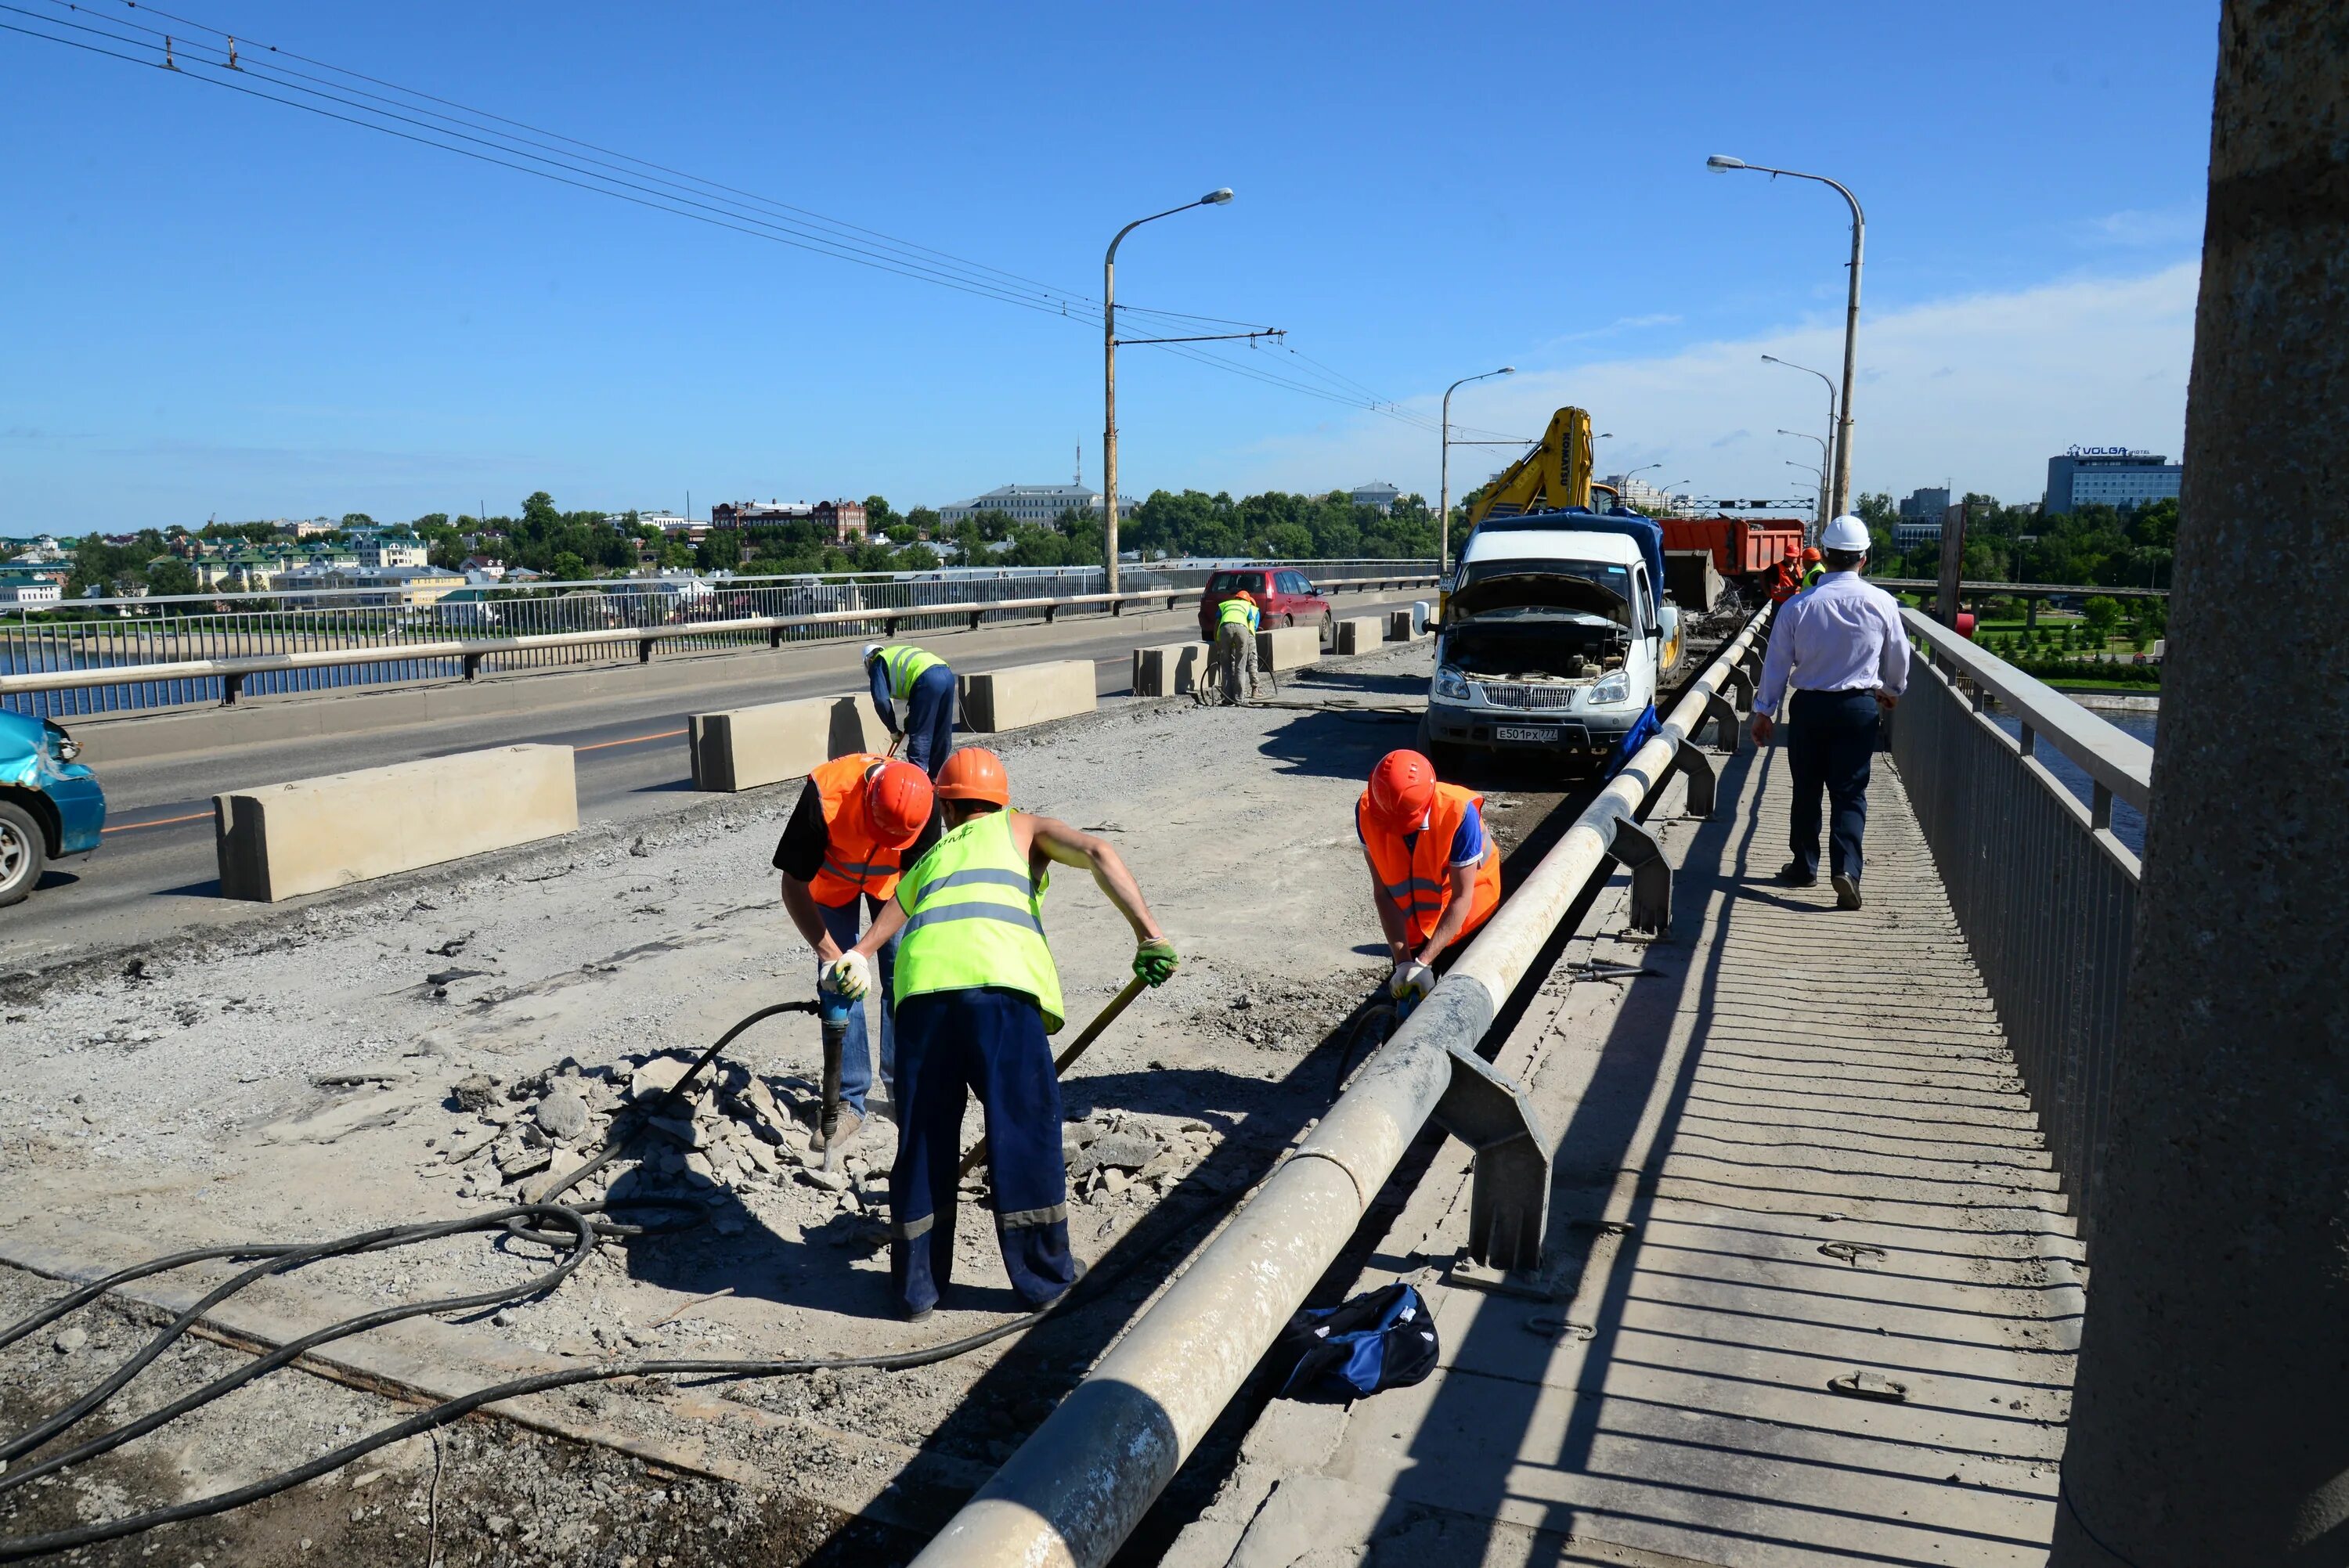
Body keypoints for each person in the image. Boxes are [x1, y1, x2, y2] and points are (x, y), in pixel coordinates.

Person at [825, 747, 1179, 1321]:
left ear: (946, 808)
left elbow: (895, 906)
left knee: (922, 1141)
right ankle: (1042, 1281)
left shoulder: (933, 853)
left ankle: (915, 1291)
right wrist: (1149, 933)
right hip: (999, 995)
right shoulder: (1025, 828)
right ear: (1000, 800)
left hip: (920, 1002)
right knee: (1022, 1130)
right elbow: (1097, 850)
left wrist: (859, 955)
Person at [773, 754, 939, 1147]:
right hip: (832, 886)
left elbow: (913, 889)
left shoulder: (924, 805)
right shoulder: (825, 794)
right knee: (839, 985)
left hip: (893, 892)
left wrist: (862, 952)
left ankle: (906, 1090)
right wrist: (832, 954)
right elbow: (793, 886)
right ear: (867, 800)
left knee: (905, 978)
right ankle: (849, 1101)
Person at [1751, 514, 1911, 910]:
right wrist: (1891, 691)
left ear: (1824, 555)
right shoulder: (1882, 603)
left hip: (1809, 707)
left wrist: (1763, 711)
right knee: (1850, 791)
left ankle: (1805, 866)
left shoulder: (1798, 606)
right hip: (1858, 708)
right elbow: (1900, 657)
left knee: (1807, 788)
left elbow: (1776, 662)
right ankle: (1848, 870)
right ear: (1864, 557)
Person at [1357, 748, 1502, 1004]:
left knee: (1458, 999)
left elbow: (1462, 897)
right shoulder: (1368, 811)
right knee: (1407, 997)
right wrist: (1403, 963)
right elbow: (1383, 893)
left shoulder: (1458, 813)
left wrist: (1424, 962)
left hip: (1468, 907)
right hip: (1417, 916)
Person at [862, 643, 958, 777]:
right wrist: (913, 715)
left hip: (926, 679)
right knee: (942, 730)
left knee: (921, 734)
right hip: (947, 674)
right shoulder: (894, 654)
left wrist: (893, 730)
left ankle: (917, 778)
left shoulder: (878, 662)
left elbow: (881, 701)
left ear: (868, 660)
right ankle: (936, 778)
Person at [1200, 589, 1261, 707]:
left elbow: (1217, 623)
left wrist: (1218, 642)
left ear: (1236, 598)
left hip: (1224, 630)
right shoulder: (1248, 606)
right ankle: (1239, 699)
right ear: (1247, 600)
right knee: (1240, 666)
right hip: (1242, 631)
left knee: (1226, 667)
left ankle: (1227, 699)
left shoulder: (1226, 604)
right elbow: (1250, 624)